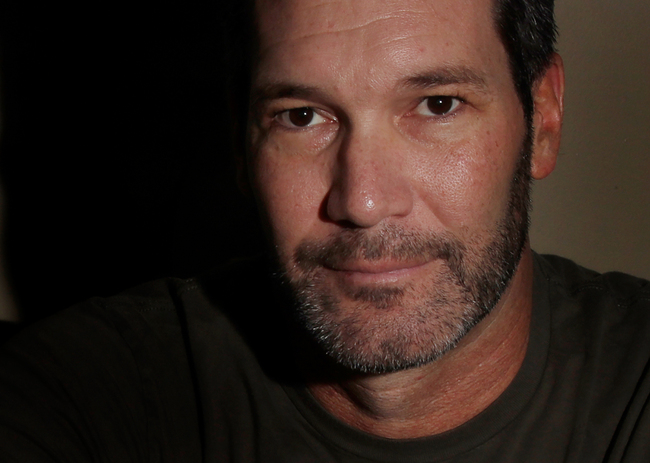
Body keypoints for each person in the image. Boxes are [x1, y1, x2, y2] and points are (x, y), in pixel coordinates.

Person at [0, 0, 649, 461]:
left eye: (437, 104)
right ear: (240, 143)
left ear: (544, 118)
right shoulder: (90, 392)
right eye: (302, 115)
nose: (363, 200)